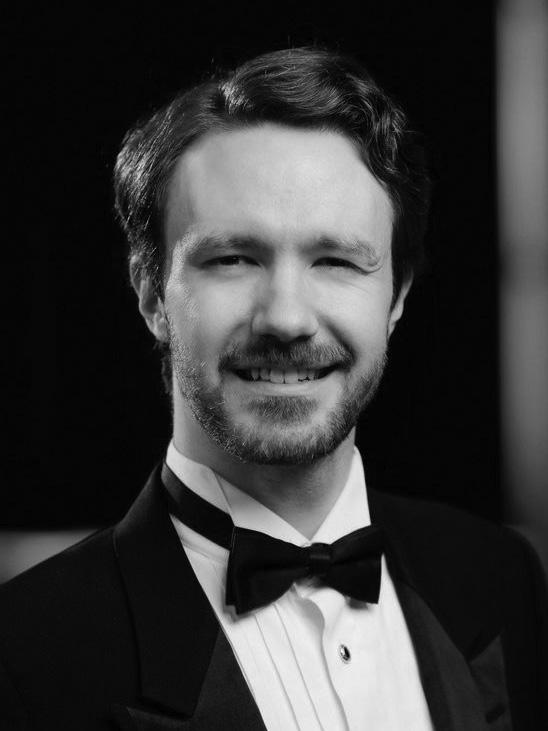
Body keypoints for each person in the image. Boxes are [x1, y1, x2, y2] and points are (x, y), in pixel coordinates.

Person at [1, 47, 546, 731]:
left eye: (335, 261)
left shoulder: (500, 578)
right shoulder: (25, 656)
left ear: (397, 296)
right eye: (233, 258)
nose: (286, 318)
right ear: (151, 293)